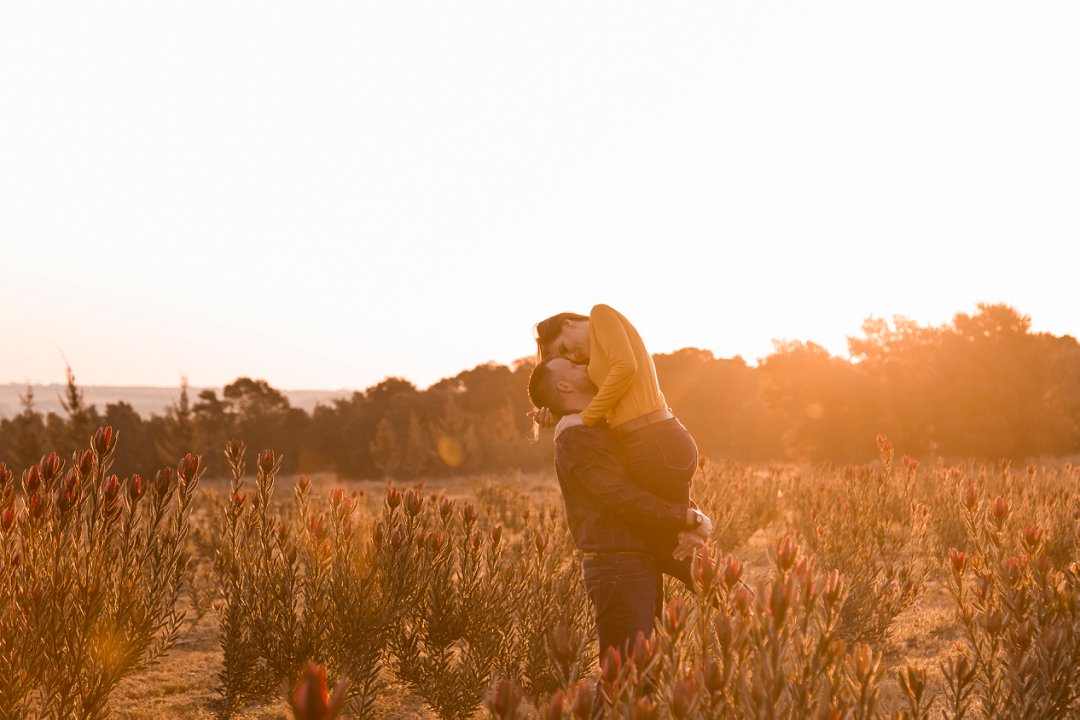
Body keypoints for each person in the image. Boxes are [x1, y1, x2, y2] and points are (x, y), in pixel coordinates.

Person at [528, 355, 712, 670]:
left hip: (636, 561)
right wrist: (687, 517)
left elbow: (644, 480)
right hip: (617, 567)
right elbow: (620, 496)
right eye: (572, 364)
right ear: (564, 384)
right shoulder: (576, 437)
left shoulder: (598, 426)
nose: (583, 363)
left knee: (642, 676)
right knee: (627, 678)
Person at [532, 305, 701, 587]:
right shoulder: (598, 364)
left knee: (673, 549)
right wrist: (560, 413)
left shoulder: (601, 315)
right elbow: (596, 402)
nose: (573, 357)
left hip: (656, 438)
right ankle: (741, 605)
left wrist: (583, 418)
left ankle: (748, 609)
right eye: (565, 358)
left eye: (565, 348)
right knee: (666, 548)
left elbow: (627, 368)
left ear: (569, 324)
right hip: (647, 442)